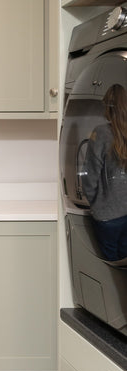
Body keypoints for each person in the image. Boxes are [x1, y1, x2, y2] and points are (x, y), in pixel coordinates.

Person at [83, 83, 127, 261]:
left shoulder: (100, 132)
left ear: (107, 106)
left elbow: (90, 174)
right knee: (123, 263)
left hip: (108, 216)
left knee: (110, 265)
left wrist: (94, 202)